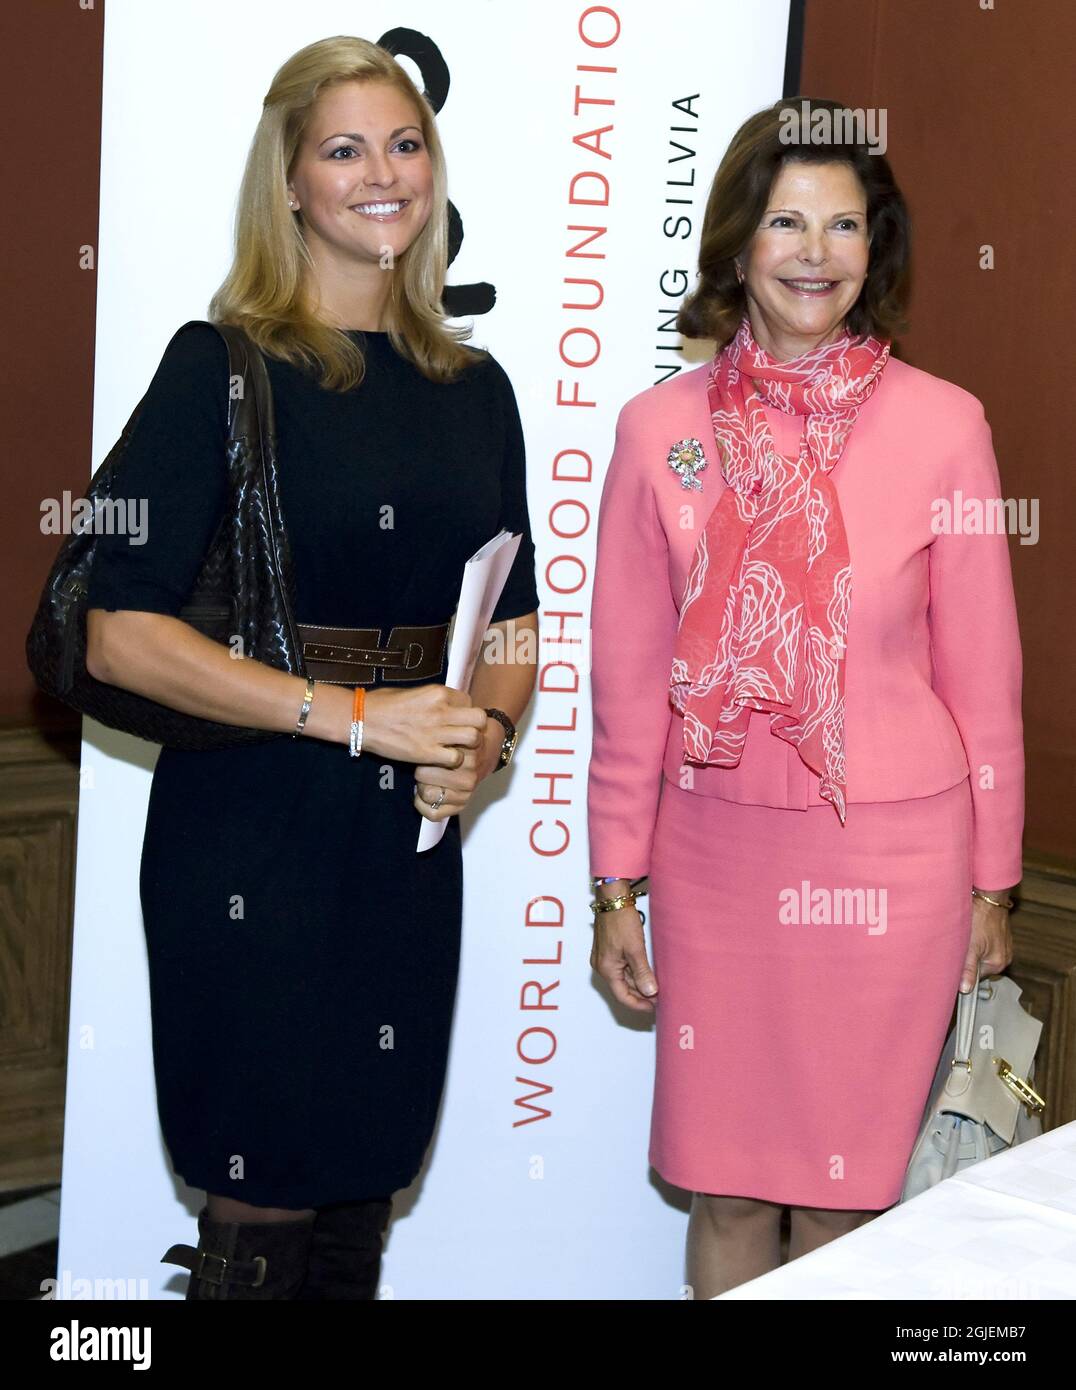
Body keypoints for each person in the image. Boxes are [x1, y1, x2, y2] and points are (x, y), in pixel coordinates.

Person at [84, 36, 540, 1300]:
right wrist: (353, 719)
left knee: (362, 1178)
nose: (380, 173)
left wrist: (481, 741)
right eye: (342, 148)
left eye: (403, 144)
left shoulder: (475, 387)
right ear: (288, 183)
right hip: (253, 828)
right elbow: (111, 628)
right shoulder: (219, 367)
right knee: (267, 1177)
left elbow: (513, 622)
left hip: (406, 837)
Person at [586, 97, 1023, 1299]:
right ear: (737, 243)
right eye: (785, 221)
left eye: (841, 225)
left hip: (892, 864)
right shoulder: (656, 433)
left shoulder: (946, 428)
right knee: (723, 1183)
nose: (813, 252)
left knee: (843, 1203)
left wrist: (994, 880)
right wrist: (613, 882)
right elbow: (628, 684)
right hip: (713, 858)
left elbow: (983, 677)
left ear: (872, 250)